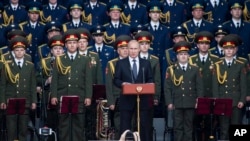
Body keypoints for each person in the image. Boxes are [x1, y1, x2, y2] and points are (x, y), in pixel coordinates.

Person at [50, 29, 92, 141]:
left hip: (79, 96)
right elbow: (55, 80)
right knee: (63, 126)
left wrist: (88, 96)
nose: (72, 45)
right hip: (63, 96)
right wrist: (54, 95)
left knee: (78, 125)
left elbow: (88, 80)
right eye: (69, 43)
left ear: (78, 44)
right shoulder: (59, 59)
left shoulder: (85, 59)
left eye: (74, 42)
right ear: (65, 45)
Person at [114, 40, 153, 141]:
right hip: (126, 99)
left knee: (144, 125)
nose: (133, 51)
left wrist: (149, 84)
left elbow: (150, 79)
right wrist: (122, 84)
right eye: (131, 48)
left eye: (135, 48)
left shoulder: (146, 63)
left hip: (143, 99)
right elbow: (116, 79)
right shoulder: (121, 63)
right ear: (127, 49)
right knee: (125, 126)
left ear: (139, 49)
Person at [164, 41, 204, 141]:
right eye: (180, 54)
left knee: (189, 127)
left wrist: (198, 101)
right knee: (177, 127)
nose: (183, 56)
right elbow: (167, 87)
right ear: (177, 56)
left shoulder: (195, 69)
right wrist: (169, 102)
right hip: (176, 103)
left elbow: (199, 87)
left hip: (190, 102)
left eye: (185, 54)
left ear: (188, 56)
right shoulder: (171, 69)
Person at [0, 36, 37, 141]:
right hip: (10, 100)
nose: (19, 52)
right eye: (17, 50)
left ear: (25, 51)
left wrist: (34, 101)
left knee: (23, 129)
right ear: (13, 51)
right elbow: (3, 85)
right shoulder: (6, 65)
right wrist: (2, 100)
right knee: (11, 129)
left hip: (25, 101)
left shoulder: (30, 66)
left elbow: (32, 85)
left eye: (22, 50)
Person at [212, 34, 247, 140]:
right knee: (223, 127)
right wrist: (217, 100)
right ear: (223, 49)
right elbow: (215, 85)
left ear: (235, 50)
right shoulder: (217, 65)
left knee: (237, 128)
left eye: (231, 48)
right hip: (223, 100)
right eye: (226, 48)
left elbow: (243, 84)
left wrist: (242, 100)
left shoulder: (240, 64)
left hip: (236, 101)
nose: (228, 51)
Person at [189, 31, 220, 141]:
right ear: (197, 45)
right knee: (193, 125)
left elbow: (217, 81)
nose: (204, 45)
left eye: (206, 43)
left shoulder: (216, 60)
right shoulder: (191, 60)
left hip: (210, 97)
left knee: (210, 126)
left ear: (209, 45)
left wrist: (216, 97)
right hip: (195, 98)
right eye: (201, 43)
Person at [77, 27, 103, 140]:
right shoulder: (73, 56)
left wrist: (99, 95)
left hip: (92, 93)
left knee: (91, 119)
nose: (82, 44)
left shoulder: (94, 56)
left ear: (88, 42)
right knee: (78, 119)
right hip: (77, 92)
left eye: (84, 42)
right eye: (80, 42)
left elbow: (98, 76)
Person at [37, 34, 64, 141]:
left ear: (63, 50)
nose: (58, 51)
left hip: (63, 95)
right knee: (50, 122)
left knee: (62, 122)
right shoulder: (45, 62)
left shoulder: (67, 61)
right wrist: (46, 81)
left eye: (60, 49)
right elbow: (38, 78)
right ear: (51, 51)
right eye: (55, 49)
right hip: (48, 96)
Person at [135, 31, 161, 140]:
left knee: (147, 124)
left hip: (148, 96)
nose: (144, 46)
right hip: (135, 96)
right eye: (141, 44)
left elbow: (157, 80)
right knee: (136, 123)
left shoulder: (154, 60)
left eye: (146, 44)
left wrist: (156, 97)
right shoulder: (133, 58)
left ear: (149, 45)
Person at [105, 35, 131, 139]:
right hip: (117, 99)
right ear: (117, 50)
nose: (125, 51)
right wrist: (111, 102)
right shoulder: (111, 64)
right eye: (122, 48)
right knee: (118, 125)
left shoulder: (134, 62)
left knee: (131, 125)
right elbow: (109, 84)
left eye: (126, 48)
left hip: (131, 98)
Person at [19, 1, 46, 69]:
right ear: (28, 14)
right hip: (26, 57)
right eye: (32, 13)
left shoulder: (43, 27)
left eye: (36, 13)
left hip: (39, 58)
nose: (34, 15)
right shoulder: (22, 26)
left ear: (39, 14)